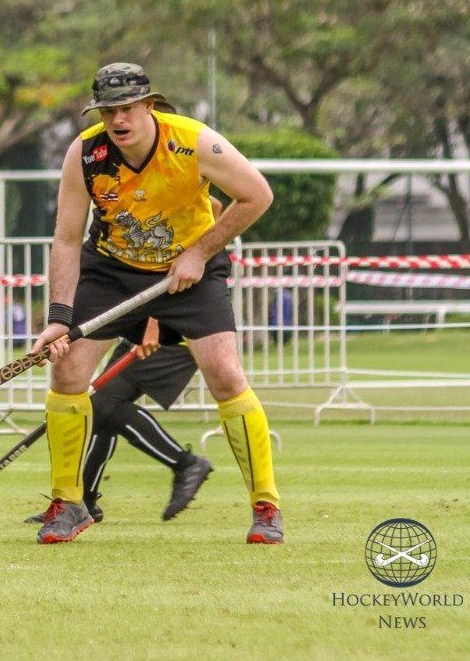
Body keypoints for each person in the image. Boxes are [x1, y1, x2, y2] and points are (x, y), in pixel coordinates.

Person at [30, 62, 282, 544]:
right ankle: (69, 502)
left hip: (190, 269)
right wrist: (59, 319)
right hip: (112, 269)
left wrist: (200, 252)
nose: (119, 120)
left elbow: (256, 195)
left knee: (226, 374)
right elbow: (65, 240)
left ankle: (266, 507)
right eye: (109, 111)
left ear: (150, 106)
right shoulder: (86, 153)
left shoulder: (194, 142)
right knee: (67, 373)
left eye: (127, 109)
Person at [26, 318, 213, 526]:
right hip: (140, 328)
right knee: (100, 408)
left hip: (169, 332)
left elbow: (162, 285)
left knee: (105, 405)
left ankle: (186, 464)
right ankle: (83, 503)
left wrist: (152, 329)